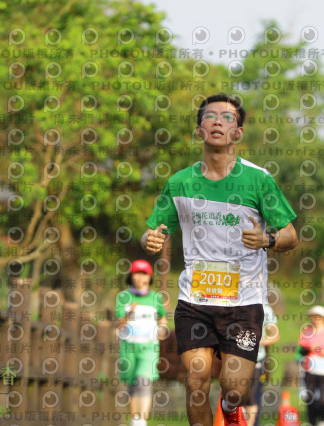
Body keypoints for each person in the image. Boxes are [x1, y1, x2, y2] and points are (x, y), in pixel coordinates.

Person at [141, 93, 298, 426]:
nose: (217, 122)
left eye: (227, 118)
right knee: (196, 381)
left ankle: (229, 410)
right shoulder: (179, 182)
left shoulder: (259, 180)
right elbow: (153, 230)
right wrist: (149, 239)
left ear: (237, 133)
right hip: (195, 300)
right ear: (199, 130)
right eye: (210, 116)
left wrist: (267, 240)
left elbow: (290, 235)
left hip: (244, 302)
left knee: (235, 389)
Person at [116, 259, 167, 426]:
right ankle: (135, 419)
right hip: (128, 347)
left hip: (149, 347)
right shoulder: (123, 297)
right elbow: (119, 324)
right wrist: (129, 313)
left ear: (149, 277)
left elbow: (162, 317)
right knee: (132, 384)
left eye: (144, 274)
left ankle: (141, 421)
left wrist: (163, 328)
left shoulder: (156, 297)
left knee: (143, 381)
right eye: (137, 273)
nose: (140, 277)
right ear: (131, 276)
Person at [297, 306, 324, 426]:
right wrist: (310, 348)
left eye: (319, 317)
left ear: (323, 318)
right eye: (314, 316)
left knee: (323, 398)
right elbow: (301, 351)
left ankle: (322, 420)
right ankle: (312, 421)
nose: (316, 319)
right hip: (310, 369)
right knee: (310, 397)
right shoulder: (307, 331)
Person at [243, 304, 280, 426]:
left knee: (251, 398)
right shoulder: (233, 303)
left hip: (256, 359)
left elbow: (275, 334)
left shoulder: (265, 308)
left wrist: (258, 342)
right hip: (233, 360)